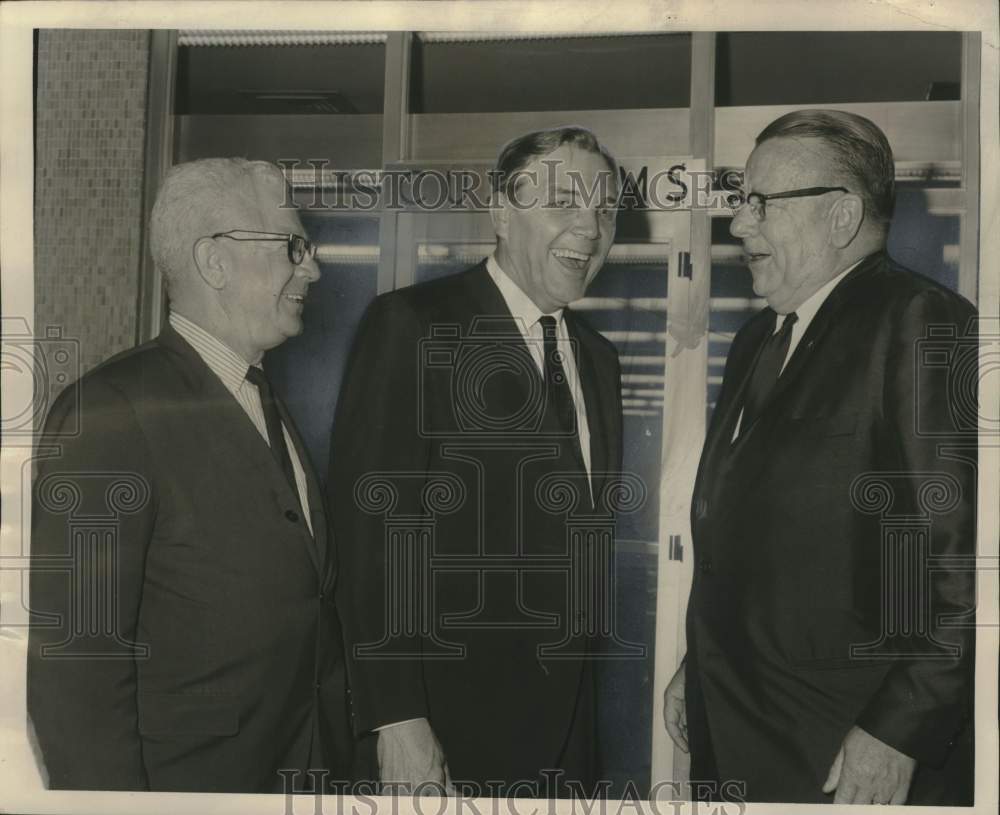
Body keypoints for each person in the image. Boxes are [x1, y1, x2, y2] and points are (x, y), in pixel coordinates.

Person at [663, 110, 976, 805]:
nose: (740, 225)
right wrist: (701, 660)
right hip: (740, 735)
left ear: (841, 215)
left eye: (761, 203)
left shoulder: (921, 321)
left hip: (843, 753)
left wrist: (899, 732)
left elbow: (968, 566)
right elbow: (755, 537)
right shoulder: (756, 340)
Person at [28, 158, 354, 793]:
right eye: (292, 245)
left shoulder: (260, 396)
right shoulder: (111, 411)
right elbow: (78, 669)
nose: (311, 267)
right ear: (215, 262)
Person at [329, 127, 623, 796]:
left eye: (606, 208)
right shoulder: (414, 325)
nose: (591, 227)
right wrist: (396, 715)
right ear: (499, 211)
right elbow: (372, 537)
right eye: (565, 202)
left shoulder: (599, 361)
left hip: (567, 737)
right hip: (443, 725)